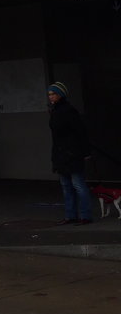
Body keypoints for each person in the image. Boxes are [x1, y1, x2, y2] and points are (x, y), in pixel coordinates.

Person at [47, 81, 93, 225]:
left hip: (71, 154)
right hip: (62, 154)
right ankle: (70, 215)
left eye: (53, 94)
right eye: (49, 94)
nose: (50, 97)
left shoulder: (69, 111)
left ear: (60, 94)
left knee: (78, 185)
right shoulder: (55, 111)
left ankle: (85, 216)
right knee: (67, 186)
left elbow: (81, 132)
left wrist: (85, 151)